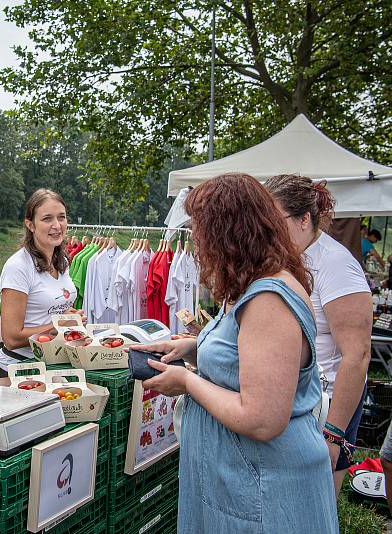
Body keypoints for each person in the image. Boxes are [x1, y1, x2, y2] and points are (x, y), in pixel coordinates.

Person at [134, 173, 338, 532]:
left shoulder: (268, 299)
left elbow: (262, 418)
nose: (196, 241)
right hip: (241, 483)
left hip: (265, 493)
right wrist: (192, 348)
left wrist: (187, 381)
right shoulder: (252, 286)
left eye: (201, 229)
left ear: (228, 232)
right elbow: (249, 358)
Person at [266, 174, 371, 496]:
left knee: (318, 502)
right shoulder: (286, 259)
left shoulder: (336, 264)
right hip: (293, 399)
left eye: (274, 219)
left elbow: (358, 355)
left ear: (304, 219)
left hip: (326, 405)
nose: (268, 228)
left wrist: (333, 435)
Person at [0, 189, 84, 378]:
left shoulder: (62, 262)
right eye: (47, 219)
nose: (57, 225)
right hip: (21, 369)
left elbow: (55, 311)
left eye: (61, 217)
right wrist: (58, 325)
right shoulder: (18, 267)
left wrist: (71, 319)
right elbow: (11, 338)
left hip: (54, 362)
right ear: (30, 225)